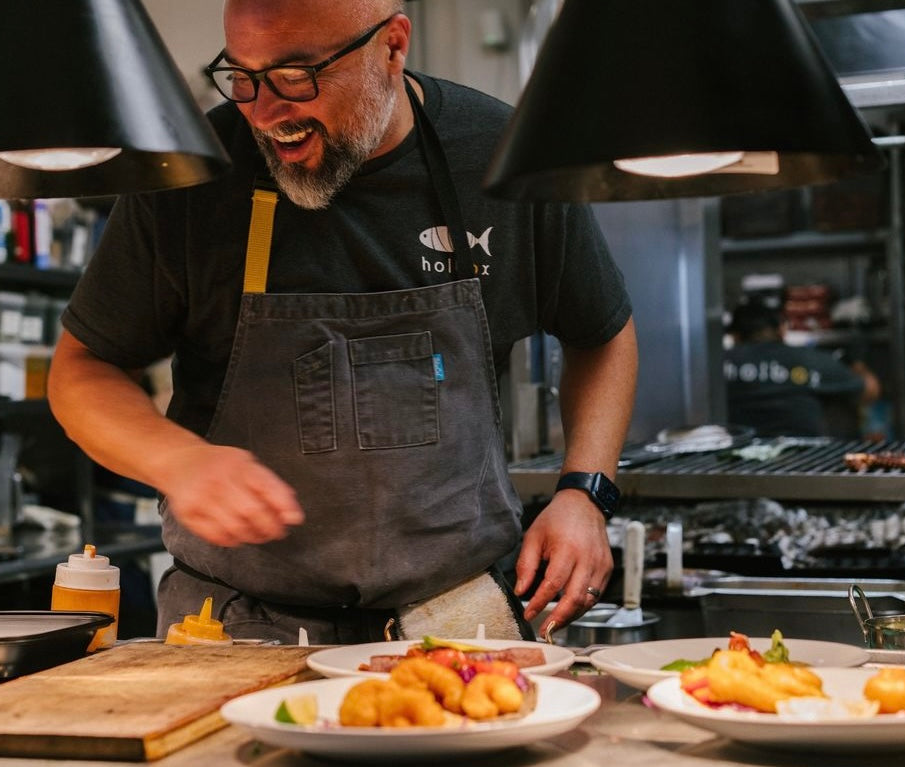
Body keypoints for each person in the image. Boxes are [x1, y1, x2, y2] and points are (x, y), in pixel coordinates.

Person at [48, 0, 637, 645]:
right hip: (235, 627)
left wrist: (584, 492)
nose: (265, 114)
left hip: (456, 621)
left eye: (296, 75)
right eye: (242, 75)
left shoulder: (499, 157)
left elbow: (602, 334)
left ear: (392, 45)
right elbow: (81, 370)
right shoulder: (194, 176)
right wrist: (177, 461)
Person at [723, 301, 880, 437]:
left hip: (735, 455)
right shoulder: (808, 359)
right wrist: (856, 362)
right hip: (804, 456)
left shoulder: (720, 362)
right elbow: (870, 391)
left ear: (734, 336)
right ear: (782, 330)